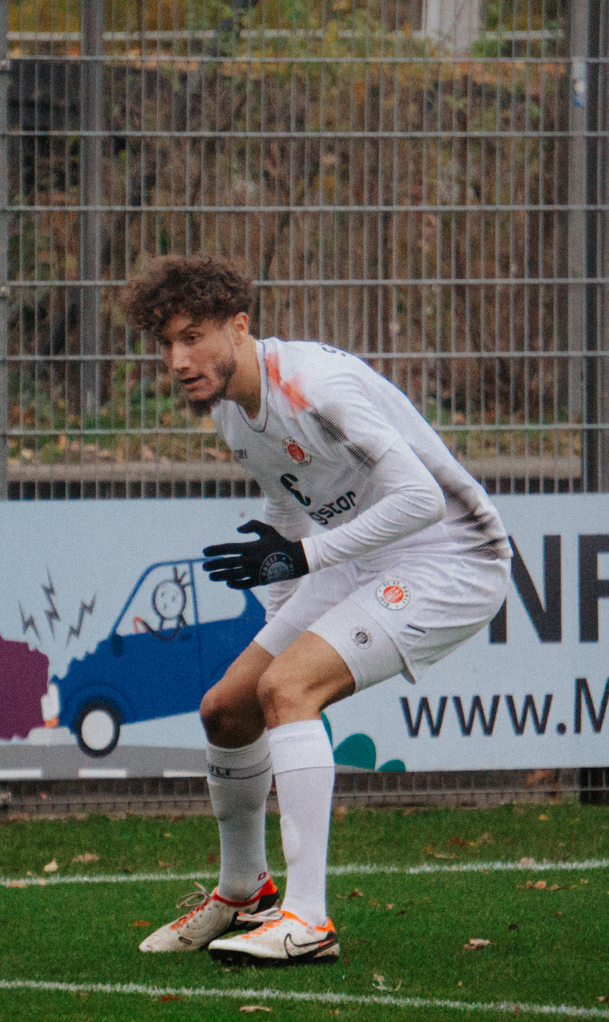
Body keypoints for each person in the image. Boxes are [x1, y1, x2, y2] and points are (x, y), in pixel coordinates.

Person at [128, 256, 510, 966]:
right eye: (166, 344)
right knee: (228, 708)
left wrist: (304, 561)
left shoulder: (315, 383)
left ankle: (308, 919)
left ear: (240, 328)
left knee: (288, 689)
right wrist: (285, 596)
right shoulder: (233, 415)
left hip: (451, 558)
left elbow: (421, 499)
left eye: (192, 338)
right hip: (361, 558)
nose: (178, 360)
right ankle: (244, 889)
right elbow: (287, 511)